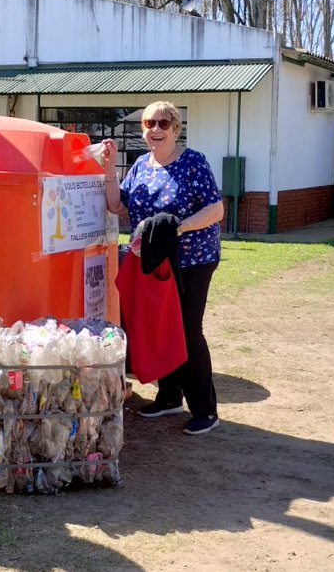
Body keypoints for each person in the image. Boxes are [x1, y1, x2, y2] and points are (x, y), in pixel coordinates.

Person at [102, 101, 225, 435]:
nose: (154, 130)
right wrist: (109, 169)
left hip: (192, 260)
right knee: (160, 327)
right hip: (155, 262)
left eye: (162, 124)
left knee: (187, 331)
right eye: (148, 123)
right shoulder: (141, 165)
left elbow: (215, 210)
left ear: (175, 128)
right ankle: (169, 396)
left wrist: (177, 227)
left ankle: (205, 409)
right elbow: (116, 206)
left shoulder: (193, 162)